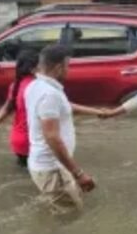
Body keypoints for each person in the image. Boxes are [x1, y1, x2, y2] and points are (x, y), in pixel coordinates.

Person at [25, 45, 103, 213]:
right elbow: (52, 137)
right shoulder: (50, 94)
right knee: (69, 217)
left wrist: (98, 112)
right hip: (52, 168)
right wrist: (78, 173)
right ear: (59, 68)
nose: (69, 70)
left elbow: (65, 106)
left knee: (62, 210)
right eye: (68, 66)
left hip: (50, 165)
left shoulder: (35, 86)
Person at [0, 50, 38, 167]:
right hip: (33, 142)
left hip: (17, 141)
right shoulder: (38, 87)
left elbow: (7, 108)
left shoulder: (15, 85)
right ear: (33, 69)